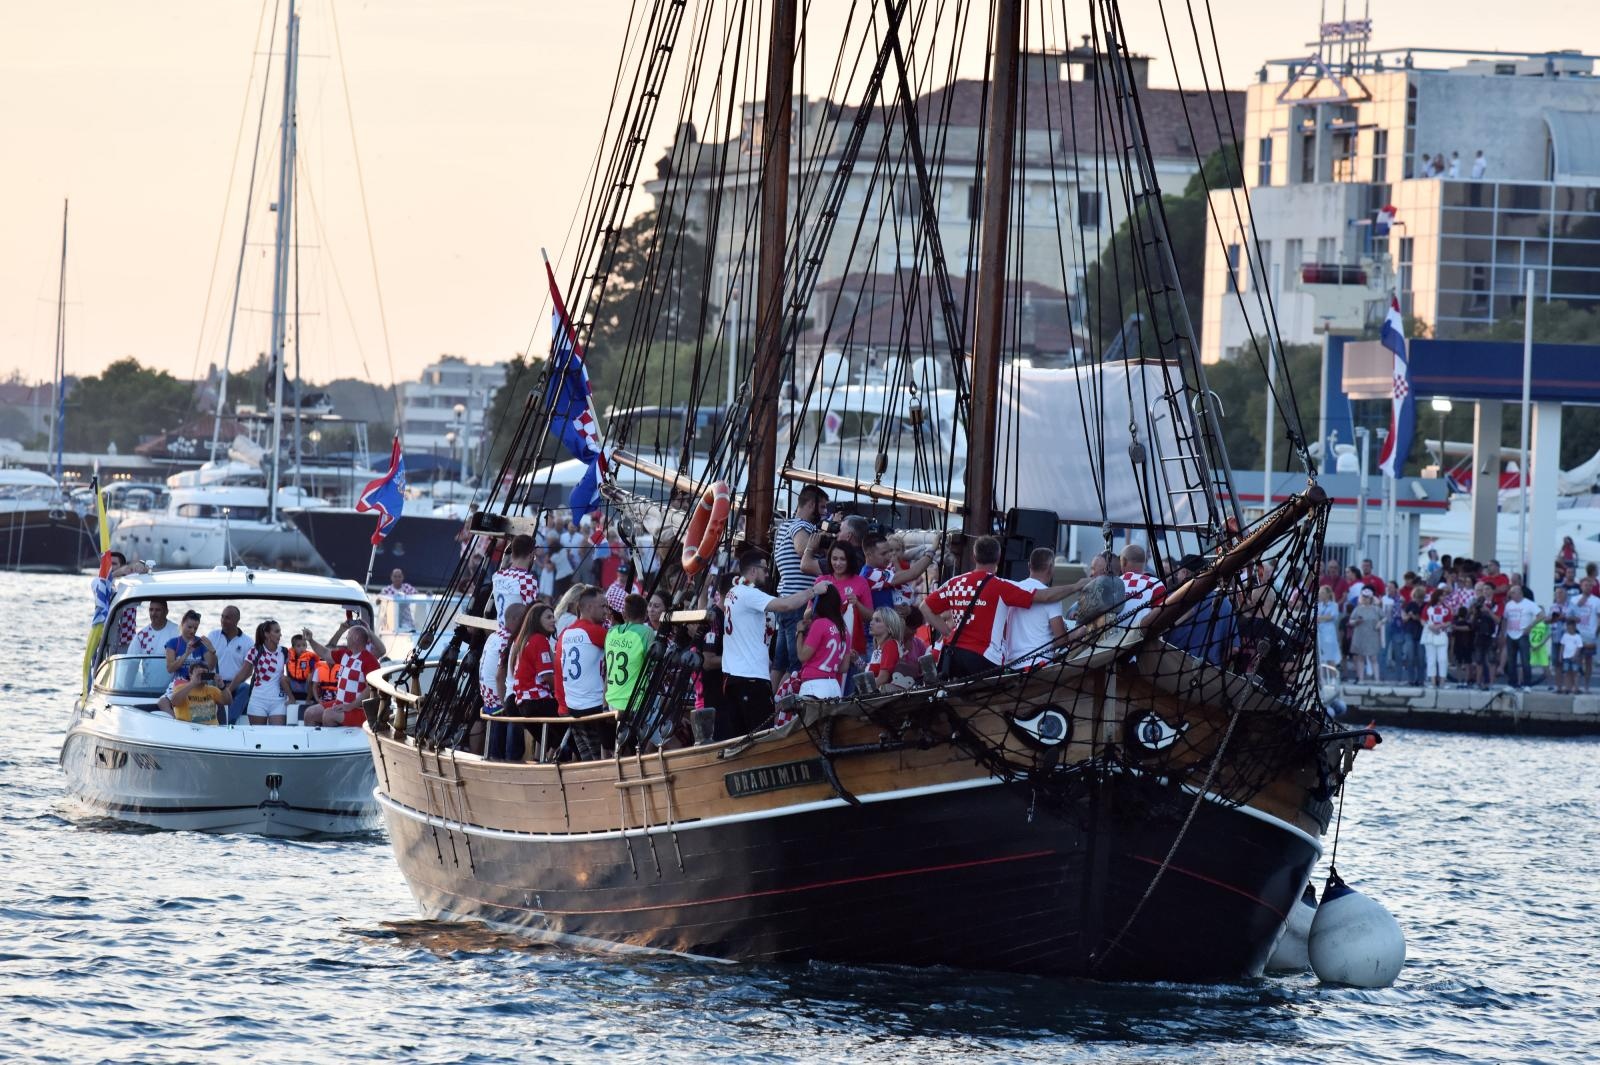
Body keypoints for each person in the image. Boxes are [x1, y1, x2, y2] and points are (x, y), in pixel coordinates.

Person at [919, 536, 1073, 679]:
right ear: (998, 558)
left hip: (953, 656)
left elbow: (925, 607)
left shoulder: (955, 583)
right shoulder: (1002, 587)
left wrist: (946, 631)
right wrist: (1077, 586)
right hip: (984, 659)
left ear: (974, 557)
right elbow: (1044, 596)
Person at [720, 551, 829, 741]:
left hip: (734, 678)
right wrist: (814, 591)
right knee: (762, 739)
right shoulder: (749, 594)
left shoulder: (733, 593)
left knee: (740, 739)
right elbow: (786, 605)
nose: (768, 573)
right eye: (764, 569)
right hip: (751, 679)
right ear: (753, 571)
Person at [771, 485, 827, 687]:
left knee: (780, 663)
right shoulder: (800, 525)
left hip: (786, 600)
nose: (824, 513)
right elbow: (802, 548)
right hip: (799, 602)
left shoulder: (785, 525)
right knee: (796, 664)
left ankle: (772, 707)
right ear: (811, 505)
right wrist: (823, 543)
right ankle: (783, 708)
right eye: (821, 507)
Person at [552, 586, 611, 760]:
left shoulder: (565, 634)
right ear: (589, 607)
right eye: (603, 606)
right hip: (595, 708)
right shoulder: (595, 632)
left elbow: (558, 672)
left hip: (572, 707)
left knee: (588, 760)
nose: (606, 612)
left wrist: (563, 706)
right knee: (608, 756)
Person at [303, 621, 387, 727]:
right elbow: (325, 653)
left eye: (348, 635)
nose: (346, 638)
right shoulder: (345, 654)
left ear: (356, 638)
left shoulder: (370, 660)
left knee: (328, 715)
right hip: (341, 703)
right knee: (309, 714)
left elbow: (371, 688)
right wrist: (311, 640)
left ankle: (331, 743)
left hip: (360, 710)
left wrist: (351, 706)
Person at [508, 603, 560, 758]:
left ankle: (545, 765)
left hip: (523, 704)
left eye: (553, 617)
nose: (553, 620)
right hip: (538, 702)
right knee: (571, 731)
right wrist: (561, 692)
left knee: (551, 741)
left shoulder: (522, 640)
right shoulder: (539, 640)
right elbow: (546, 676)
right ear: (537, 620)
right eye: (549, 617)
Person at [605, 595, 656, 734]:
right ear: (645, 615)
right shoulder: (646, 632)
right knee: (668, 738)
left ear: (623, 614)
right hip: (635, 704)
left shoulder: (611, 632)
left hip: (611, 702)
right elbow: (653, 664)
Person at [483, 602, 526, 762]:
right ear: (515, 619)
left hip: (489, 700)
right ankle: (512, 761)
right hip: (499, 701)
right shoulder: (508, 641)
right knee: (515, 711)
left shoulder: (494, 637)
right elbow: (500, 676)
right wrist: (506, 706)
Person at [1005, 547, 1063, 667]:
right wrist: (1078, 633)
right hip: (1039, 667)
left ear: (1029, 566)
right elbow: (1062, 640)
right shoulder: (1053, 597)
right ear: (1050, 567)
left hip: (1011, 666)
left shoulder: (1012, 590)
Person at [231, 619, 294, 726]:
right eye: (277, 631)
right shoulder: (255, 650)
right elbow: (243, 674)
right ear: (267, 634)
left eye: (280, 631)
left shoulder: (284, 652)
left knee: (278, 736)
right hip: (258, 701)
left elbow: (292, 675)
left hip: (278, 701)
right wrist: (228, 691)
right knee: (257, 738)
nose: (280, 635)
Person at [819, 543, 872, 662]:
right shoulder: (821, 580)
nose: (837, 563)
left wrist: (857, 604)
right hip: (826, 644)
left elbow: (870, 616)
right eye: (834, 558)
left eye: (843, 559)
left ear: (850, 560)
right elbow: (808, 613)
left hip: (852, 648)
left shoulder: (861, 582)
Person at [796, 585, 849, 699]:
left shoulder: (820, 624)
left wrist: (800, 632)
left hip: (814, 686)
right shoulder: (845, 630)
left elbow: (802, 656)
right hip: (834, 687)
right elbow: (844, 667)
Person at [208, 605, 254, 725]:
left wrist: (229, 688)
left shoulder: (248, 642)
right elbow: (206, 663)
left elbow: (248, 671)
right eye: (222, 617)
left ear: (236, 620)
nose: (223, 620)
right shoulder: (213, 636)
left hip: (236, 685)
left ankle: (227, 721)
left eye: (227, 618)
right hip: (215, 682)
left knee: (246, 688)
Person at [165, 611, 217, 699]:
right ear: (182, 624)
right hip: (179, 684)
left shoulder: (200, 643)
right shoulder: (173, 643)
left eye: (195, 628)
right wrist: (186, 654)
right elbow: (170, 669)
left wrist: (213, 651)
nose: (192, 631)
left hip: (198, 684)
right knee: (162, 702)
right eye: (189, 627)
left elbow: (211, 667)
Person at [1501, 585, 1543, 690]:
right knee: (1511, 661)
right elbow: (1505, 619)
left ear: (1520, 593)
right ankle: (1512, 684)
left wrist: (1530, 627)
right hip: (1511, 634)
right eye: (1511, 593)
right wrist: (1503, 633)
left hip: (1523, 635)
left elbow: (1541, 615)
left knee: (1525, 661)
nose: (1511, 595)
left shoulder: (1529, 604)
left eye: (1513, 593)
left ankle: (1527, 684)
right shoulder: (1508, 605)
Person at [867, 607, 918, 691]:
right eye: (872, 619)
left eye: (877, 620)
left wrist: (864, 689)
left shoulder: (890, 645)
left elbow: (883, 678)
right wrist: (857, 661)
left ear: (889, 628)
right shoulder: (879, 648)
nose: (871, 623)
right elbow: (871, 672)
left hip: (885, 699)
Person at [492, 535, 539, 625]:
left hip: (499, 633)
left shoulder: (497, 576)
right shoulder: (527, 579)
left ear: (513, 554)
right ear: (531, 555)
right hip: (514, 635)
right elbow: (530, 615)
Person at [157, 666, 226, 725]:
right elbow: (169, 702)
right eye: (198, 673)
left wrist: (222, 686)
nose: (201, 676)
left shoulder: (212, 689)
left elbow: (228, 701)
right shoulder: (179, 686)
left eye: (204, 674)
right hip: (187, 729)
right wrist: (193, 683)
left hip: (211, 729)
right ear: (190, 675)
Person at [1117, 543, 1166, 624]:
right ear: (1146, 561)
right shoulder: (1155, 584)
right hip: (1146, 636)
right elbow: (1163, 617)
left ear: (1124, 562)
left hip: (1114, 636)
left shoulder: (1112, 584)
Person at [1346, 588, 1384, 681]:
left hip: (1372, 635)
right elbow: (1350, 621)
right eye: (1363, 597)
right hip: (1360, 635)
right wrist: (1356, 621)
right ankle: (1361, 679)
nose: (1365, 599)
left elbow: (1384, 618)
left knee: (1373, 657)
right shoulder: (1357, 609)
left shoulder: (1376, 609)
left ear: (1371, 598)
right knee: (1360, 657)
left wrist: (1380, 623)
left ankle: (1377, 679)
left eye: (1367, 597)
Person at [1421, 588, 1452, 688]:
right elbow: (1423, 619)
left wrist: (1441, 626)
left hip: (1441, 634)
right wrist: (1430, 626)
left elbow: (1449, 621)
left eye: (1444, 595)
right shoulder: (1428, 607)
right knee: (1431, 659)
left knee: (1443, 659)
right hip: (1429, 635)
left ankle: (1442, 681)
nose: (1443, 597)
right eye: (1441, 595)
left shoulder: (1446, 608)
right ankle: (1433, 682)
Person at [284, 633, 318, 700]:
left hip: (306, 685)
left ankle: (308, 699)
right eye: (298, 646)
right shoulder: (290, 658)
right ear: (293, 647)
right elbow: (288, 673)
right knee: (282, 678)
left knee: (311, 677)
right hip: (295, 684)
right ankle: (291, 698)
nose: (302, 648)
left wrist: (311, 675)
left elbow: (315, 670)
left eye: (304, 645)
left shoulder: (309, 658)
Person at [1315, 585, 1341, 668]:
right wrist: (1324, 617)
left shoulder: (1334, 605)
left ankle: (1333, 678)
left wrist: (1321, 618)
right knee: (1321, 656)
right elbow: (1316, 618)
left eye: (1322, 593)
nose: (1320, 595)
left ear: (1328, 594)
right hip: (1320, 632)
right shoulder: (1318, 605)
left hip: (1329, 633)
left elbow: (1331, 617)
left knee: (1330, 656)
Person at [1558, 619, 1584, 694]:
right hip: (1566, 657)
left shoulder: (1577, 637)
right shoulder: (1565, 636)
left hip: (1574, 658)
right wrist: (1560, 656)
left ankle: (1576, 688)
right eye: (1568, 626)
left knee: (1575, 673)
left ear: (1574, 627)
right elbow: (1562, 646)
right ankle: (1567, 687)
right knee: (1566, 673)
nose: (1569, 628)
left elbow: (1579, 647)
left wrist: (1575, 656)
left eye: (1571, 626)